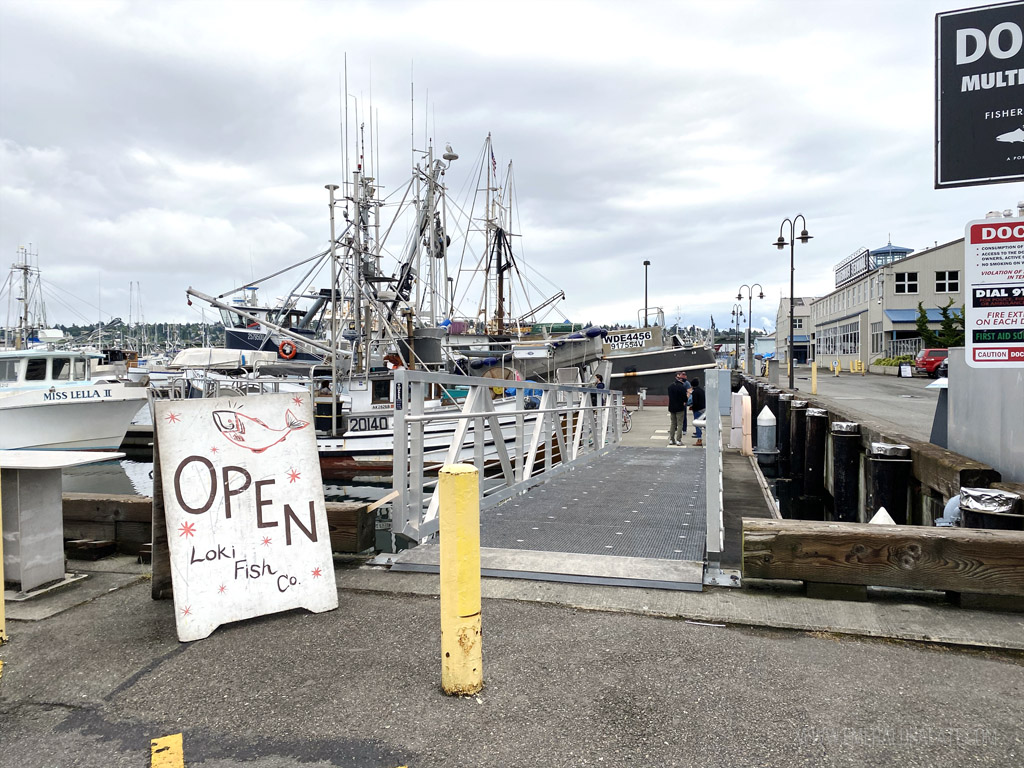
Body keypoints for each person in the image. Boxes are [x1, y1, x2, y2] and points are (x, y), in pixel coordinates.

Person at [666, 370, 691, 446]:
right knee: (680, 424)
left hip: (672, 407)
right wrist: (688, 395)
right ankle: (678, 440)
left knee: (673, 423)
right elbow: (685, 399)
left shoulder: (670, 387)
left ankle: (671, 439)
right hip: (680, 407)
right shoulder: (682, 388)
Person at [689, 377, 706, 446]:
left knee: (697, 424)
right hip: (703, 409)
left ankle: (699, 439)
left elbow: (695, 402)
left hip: (698, 410)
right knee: (705, 424)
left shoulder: (695, 392)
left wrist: (692, 407)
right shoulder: (701, 390)